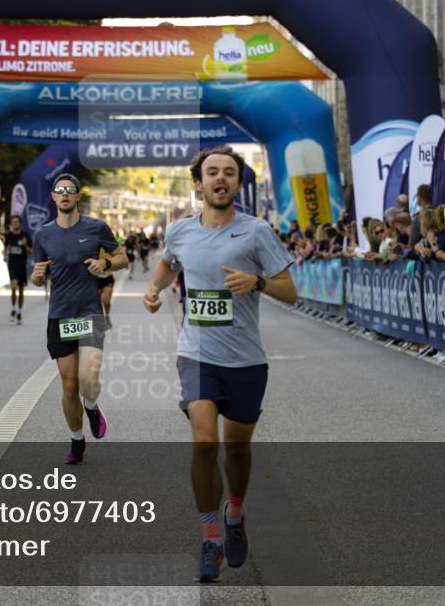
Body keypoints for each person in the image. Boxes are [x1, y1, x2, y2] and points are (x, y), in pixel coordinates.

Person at [142, 146, 297, 583]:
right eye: (212, 172)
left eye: (229, 172)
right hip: (196, 354)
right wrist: (154, 291)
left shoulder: (256, 232)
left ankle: (235, 512)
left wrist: (259, 281)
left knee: (238, 449)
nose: (220, 178)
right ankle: (210, 537)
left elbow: (291, 291)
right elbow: (167, 264)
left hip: (246, 359)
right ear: (199, 183)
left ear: (238, 184)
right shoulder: (180, 232)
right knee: (205, 442)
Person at [30, 173, 127, 465]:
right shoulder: (43, 234)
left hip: (90, 311)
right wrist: (36, 278)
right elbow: (38, 276)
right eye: (59, 190)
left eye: (70, 190)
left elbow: (123, 257)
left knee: (88, 379)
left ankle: (93, 405)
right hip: (59, 315)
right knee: (69, 384)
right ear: (53, 196)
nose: (64, 194)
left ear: (77, 196)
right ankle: (76, 439)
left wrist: (105, 263)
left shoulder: (96, 227)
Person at [4, 214, 32, 325]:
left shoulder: (25, 236)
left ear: (20, 223)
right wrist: (5, 254)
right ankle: (13, 309)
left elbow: (30, 251)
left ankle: (19, 311)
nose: (14, 224)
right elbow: (5, 249)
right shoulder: (8, 235)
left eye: (16, 222)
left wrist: (25, 245)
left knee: (21, 290)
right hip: (12, 265)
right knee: (13, 286)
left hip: (22, 265)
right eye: (12, 222)